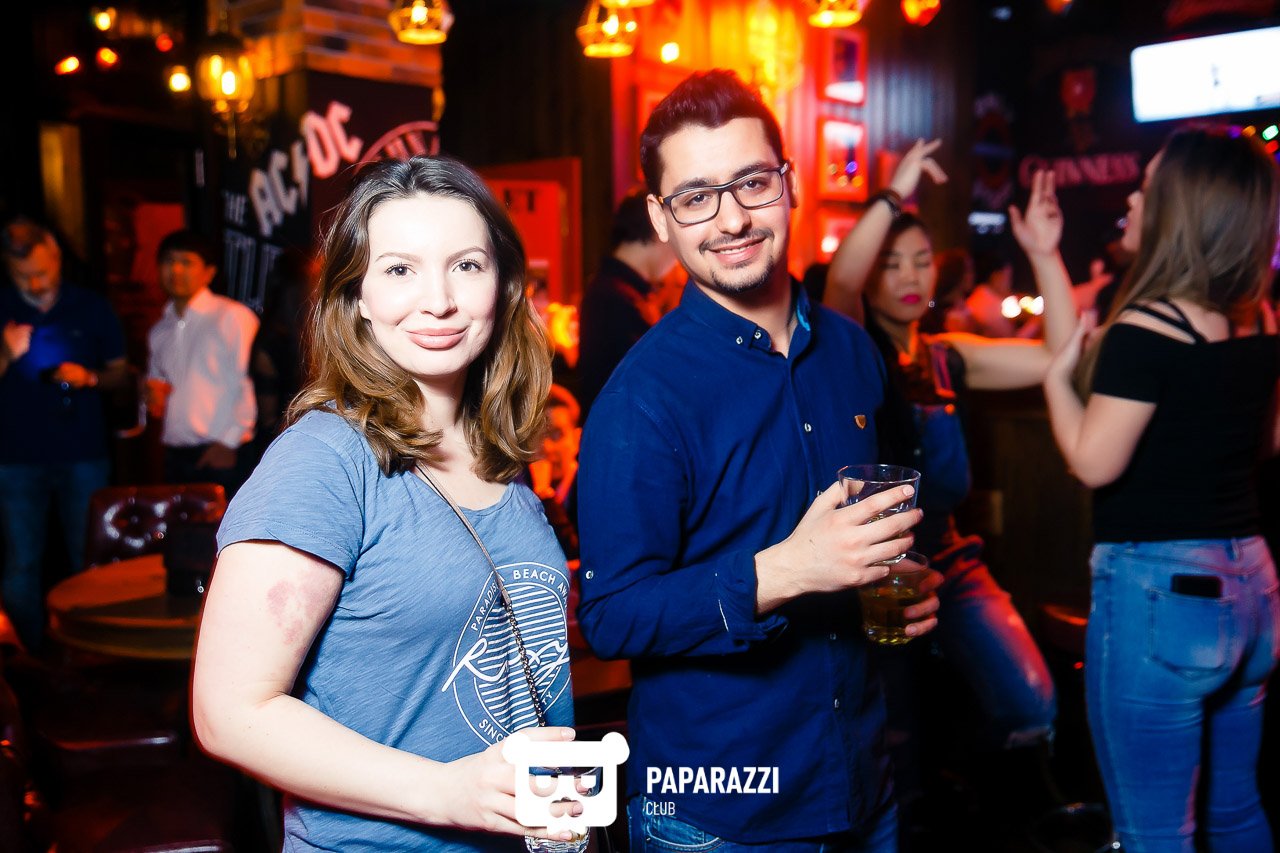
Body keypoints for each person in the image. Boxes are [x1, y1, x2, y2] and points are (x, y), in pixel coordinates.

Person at [576, 69, 941, 852]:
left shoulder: (852, 351)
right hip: (721, 814)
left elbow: (877, 527)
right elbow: (610, 615)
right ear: (661, 218)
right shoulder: (641, 397)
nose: (732, 218)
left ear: (789, 183)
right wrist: (787, 570)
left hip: (864, 782)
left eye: (752, 182)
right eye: (695, 197)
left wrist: (900, 576)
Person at [190, 155, 579, 851]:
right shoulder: (323, 461)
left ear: (504, 284)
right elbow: (229, 712)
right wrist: (447, 792)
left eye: (466, 265)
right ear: (358, 297)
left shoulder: (496, 452)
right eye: (400, 270)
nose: (439, 300)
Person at [823, 142, 1074, 840]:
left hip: (952, 562)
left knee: (1033, 703)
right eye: (891, 263)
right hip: (873, 574)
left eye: (921, 260)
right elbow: (839, 281)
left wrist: (1045, 253)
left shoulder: (947, 355)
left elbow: (1058, 353)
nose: (909, 275)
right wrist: (892, 193)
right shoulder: (850, 351)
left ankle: (969, 798)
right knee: (894, 748)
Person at [1040, 127, 1280, 853]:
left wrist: (1056, 382)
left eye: (1147, 188)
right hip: (1253, 582)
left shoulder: (1147, 326)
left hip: (1163, 593)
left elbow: (1094, 463)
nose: (1134, 199)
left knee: (1154, 836)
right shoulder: (1259, 317)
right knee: (1236, 812)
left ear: (1180, 210)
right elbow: (1268, 442)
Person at [0, 219, 129, 650]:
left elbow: (121, 374)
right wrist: (6, 353)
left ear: (56, 255)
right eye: (23, 276)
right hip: (14, 458)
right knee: (22, 563)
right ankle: (28, 661)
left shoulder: (91, 306)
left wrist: (90, 378)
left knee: (89, 559)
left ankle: (90, 652)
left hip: (83, 453)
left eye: (42, 271)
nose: (36, 283)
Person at [145, 230, 258, 496]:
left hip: (222, 451)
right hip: (175, 453)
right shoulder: (160, 329)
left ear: (209, 272)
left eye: (186, 262)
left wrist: (229, 443)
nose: (175, 270)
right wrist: (150, 396)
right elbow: (156, 387)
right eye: (168, 261)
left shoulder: (232, 316)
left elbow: (247, 381)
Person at [577, 188, 679, 415]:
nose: (677, 259)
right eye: (675, 241)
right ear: (657, 230)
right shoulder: (616, 297)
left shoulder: (612, 288)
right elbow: (655, 379)